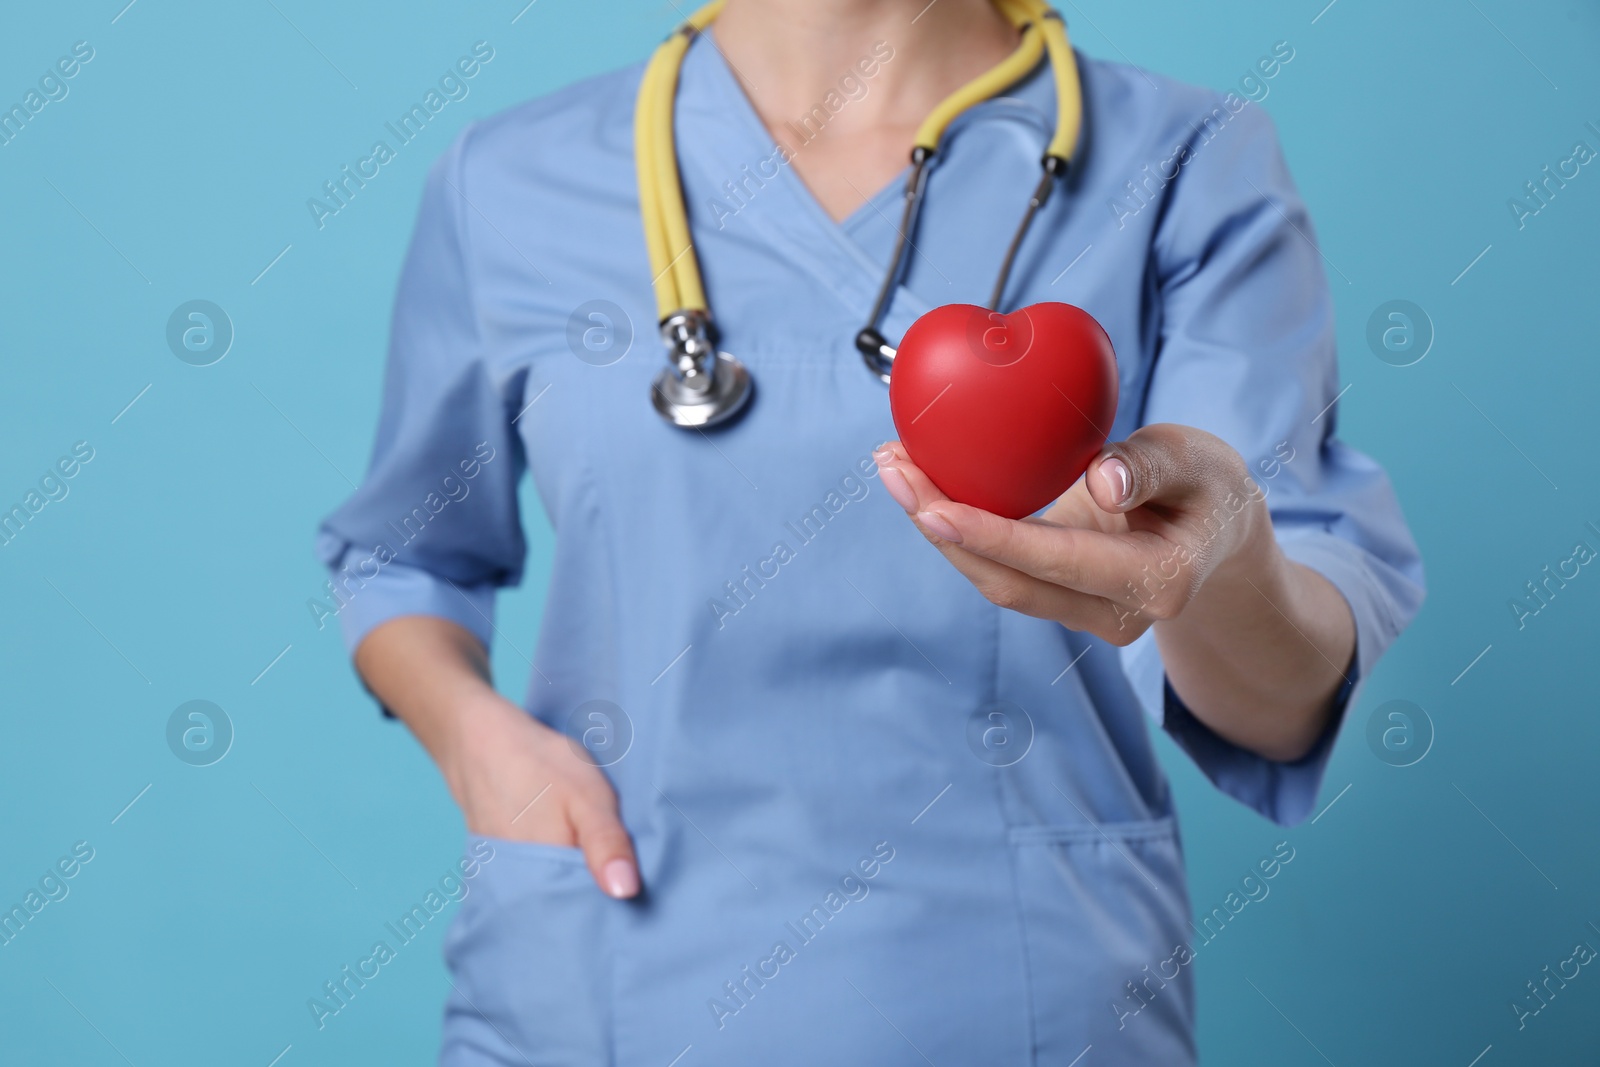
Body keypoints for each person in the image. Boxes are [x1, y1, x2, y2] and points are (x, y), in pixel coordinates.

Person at [316, 0, 1424, 1062]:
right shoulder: (508, 180)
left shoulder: (1184, 166)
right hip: (599, 977)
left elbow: (1281, 705)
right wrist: (471, 733)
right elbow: (402, 549)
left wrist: (1215, 565)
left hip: (1010, 993)